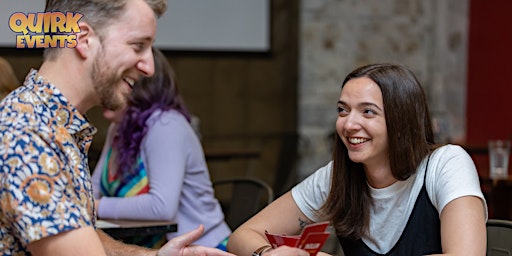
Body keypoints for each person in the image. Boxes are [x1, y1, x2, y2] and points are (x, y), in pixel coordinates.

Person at [0, 0, 234, 255]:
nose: (149, 67)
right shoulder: (28, 134)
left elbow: (84, 233)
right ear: (83, 38)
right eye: (138, 46)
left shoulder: (53, 124)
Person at [227, 63, 487, 256]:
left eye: (367, 112)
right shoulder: (337, 176)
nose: (349, 124)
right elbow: (241, 237)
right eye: (343, 110)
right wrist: (266, 253)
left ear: (400, 121)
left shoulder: (446, 164)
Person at [92, 48, 231, 249]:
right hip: (145, 248)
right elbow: (92, 189)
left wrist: (95, 207)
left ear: (137, 86)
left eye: (113, 81)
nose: (101, 90)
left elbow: (161, 207)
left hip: (198, 248)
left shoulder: (165, 125)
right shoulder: (118, 127)